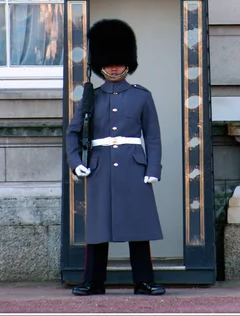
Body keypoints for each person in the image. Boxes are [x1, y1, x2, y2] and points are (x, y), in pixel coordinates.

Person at [66, 18, 165, 296]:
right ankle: (93, 281)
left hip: (134, 167)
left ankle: (143, 280)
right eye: (109, 61)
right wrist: (77, 163)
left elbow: (153, 135)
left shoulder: (141, 97)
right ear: (100, 64)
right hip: (99, 166)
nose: (113, 66)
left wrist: (153, 167)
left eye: (118, 61)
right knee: (97, 229)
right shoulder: (91, 98)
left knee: (138, 225)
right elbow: (72, 133)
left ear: (127, 63)